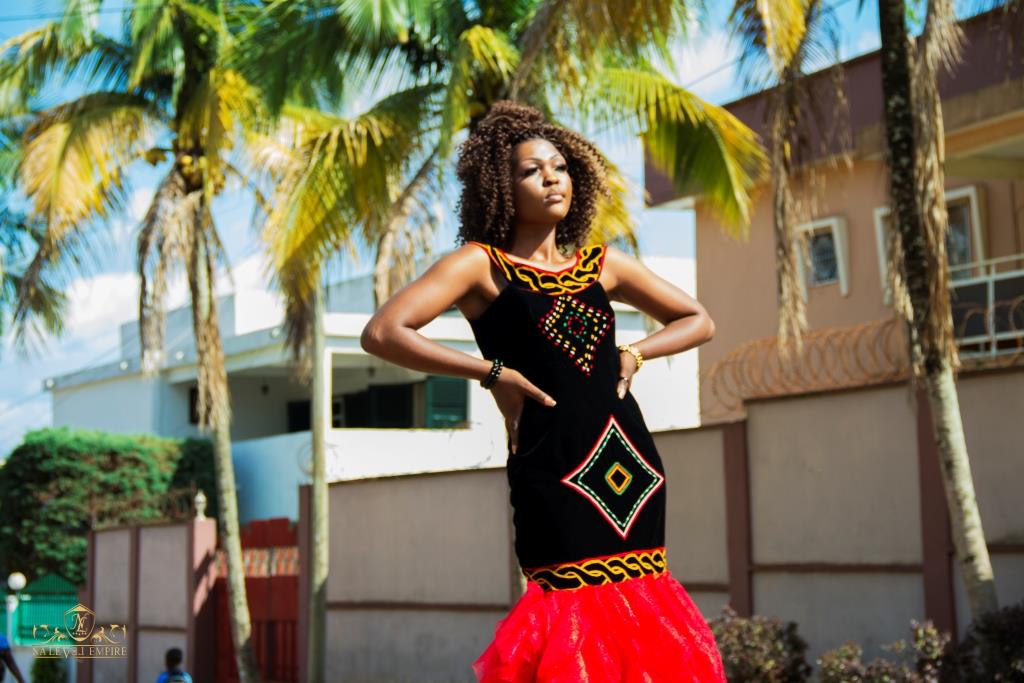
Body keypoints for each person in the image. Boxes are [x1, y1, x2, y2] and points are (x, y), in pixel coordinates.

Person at [360, 100, 725, 682]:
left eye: (560, 167)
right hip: (551, 463)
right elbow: (383, 332)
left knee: (641, 606)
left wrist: (635, 352)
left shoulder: (603, 265)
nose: (553, 179)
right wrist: (490, 373)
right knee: (566, 607)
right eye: (532, 170)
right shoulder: (479, 266)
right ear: (501, 189)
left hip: (631, 463)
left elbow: (698, 320)